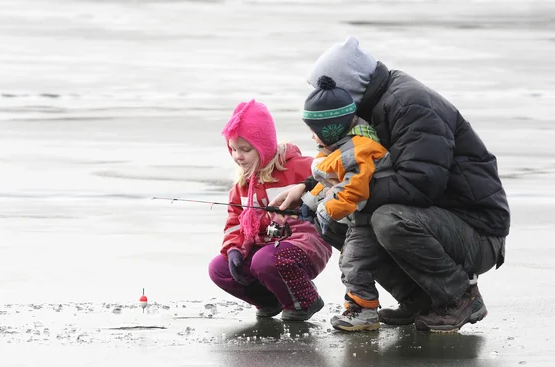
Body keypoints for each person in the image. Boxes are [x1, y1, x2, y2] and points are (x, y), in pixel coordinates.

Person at [270, 36, 510, 332]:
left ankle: (460, 295)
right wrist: (307, 189)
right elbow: (352, 163)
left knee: (386, 219)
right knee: (331, 220)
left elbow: (421, 184)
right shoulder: (370, 107)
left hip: (477, 230)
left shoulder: (410, 105)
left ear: (350, 85)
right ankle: (418, 298)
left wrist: (338, 198)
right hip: (436, 219)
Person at [208, 99, 332, 321]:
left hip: (305, 244)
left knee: (265, 260)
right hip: (265, 248)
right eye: (234, 149)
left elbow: (330, 178)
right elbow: (234, 223)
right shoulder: (241, 185)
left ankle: (304, 300)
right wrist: (234, 248)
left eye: (245, 149)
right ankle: (270, 299)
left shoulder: (299, 166)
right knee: (219, 268)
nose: (238, 155)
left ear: (263, 146)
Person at [300, 75, 391, 331]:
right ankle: (359, 306)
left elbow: (353, 188)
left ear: (332, 128)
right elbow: (330, 181)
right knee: (352, 261)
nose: (312, 138)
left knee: (354, 262)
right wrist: (309, 201)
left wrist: (327, 211)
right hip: (360, 218)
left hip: (368, 219)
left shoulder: (358, 150)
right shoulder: (342, 145)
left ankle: (364, 311)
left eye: (315, 132)